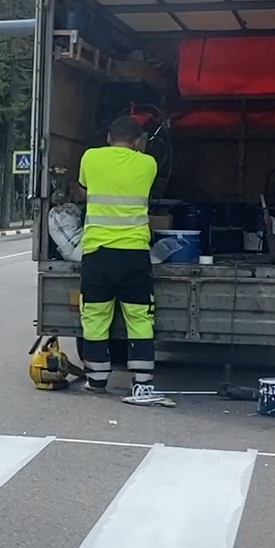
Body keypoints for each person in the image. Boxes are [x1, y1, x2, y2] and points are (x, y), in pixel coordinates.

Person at [76, 114, 164, 405]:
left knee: (95, 316)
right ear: (139, 141)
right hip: (134, 254)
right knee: (139, 317)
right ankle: (142, 384)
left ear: (108, 138)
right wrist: (143, 147)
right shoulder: (148, 164)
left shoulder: (90, 158)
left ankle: (97, 380)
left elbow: (82, 188)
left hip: (98, 253)